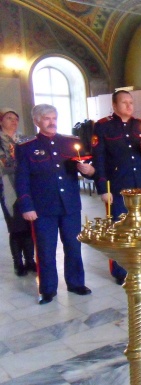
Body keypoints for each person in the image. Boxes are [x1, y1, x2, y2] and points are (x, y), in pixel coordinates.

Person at [15, 104, 94, 304]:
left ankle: (76, 283)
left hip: (70, 206)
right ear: (36, 121)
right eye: (47, 118)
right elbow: (22, 180)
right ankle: (48, 289)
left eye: (54, 118)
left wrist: (88, 171)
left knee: (74, 246)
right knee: (45, 250)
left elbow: (87, 169)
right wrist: (26, 206)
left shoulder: (70, 142)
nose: (52, 122)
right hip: (42, 208)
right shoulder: (27, 147)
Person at [92, 90, 141, 284]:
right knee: (121, 228)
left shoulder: (140, 125)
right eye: (124, 103)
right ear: (114, 106)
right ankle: (120, 270)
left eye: (131, 102)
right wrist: (103, 188)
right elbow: (99, 159)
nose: (129, 106)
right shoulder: (103, 126)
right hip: (118, 184)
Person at [0, 108, 36, 276]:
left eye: (16, 118)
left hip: (26, 185)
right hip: (7, 186)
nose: (13, 121)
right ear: (1, 121)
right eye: (9, 118)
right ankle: (18, 263)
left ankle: (30, 260)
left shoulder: (24, 139)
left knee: (28, 224)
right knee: (15, 226)